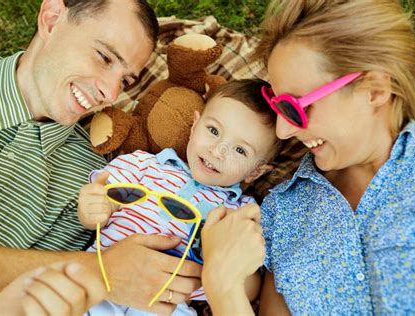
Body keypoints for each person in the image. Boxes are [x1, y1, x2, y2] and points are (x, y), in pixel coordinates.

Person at [0, 0, 205, 314]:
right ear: (52, 18)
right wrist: (101, 271)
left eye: (125, 81)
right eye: (104, 57)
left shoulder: (93, 177)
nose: (112, 94)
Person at [254, 0, 415, 314]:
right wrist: (222, 284)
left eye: (295, 107)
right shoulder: (283, 209)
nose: (281, 131)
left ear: (375, 89)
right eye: (276, 104)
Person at [77, 79, 281, 315]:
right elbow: (96, 207)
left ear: (256, 171)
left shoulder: (241, 214)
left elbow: (247, 288)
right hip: (105, 276)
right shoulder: (144, 164)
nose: (218, 151)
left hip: (168, 304)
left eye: (240, 150)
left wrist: (223, 265)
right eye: (213, 131)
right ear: (194, 126)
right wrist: (92, 210)